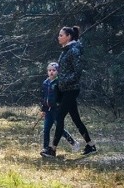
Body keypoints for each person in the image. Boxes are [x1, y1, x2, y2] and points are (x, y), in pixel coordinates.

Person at [41, 25, 96, 158]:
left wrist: (63, 81)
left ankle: (52, 149)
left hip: (71, 90)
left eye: (61, 35)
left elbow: (77, 72)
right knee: (76, 119)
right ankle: (91, 145)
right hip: (64, 90)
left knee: (59, 117)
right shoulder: (65, 51)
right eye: (59, 35)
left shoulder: (74, 50)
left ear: (68, 37)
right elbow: (63, 72)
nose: (58, 37)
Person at [40, 62, 79, 154]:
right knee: (46, 129)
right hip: (48, 110)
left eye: (54, 70)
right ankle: (46, 148)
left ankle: (73, 143)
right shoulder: (45, 83)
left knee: (59, 129)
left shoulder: (59, 82)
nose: (51, 72)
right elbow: (43, 97)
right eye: (49, 70)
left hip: (56, 110)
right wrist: (43, 109)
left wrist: (61, 105)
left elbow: (63, 96)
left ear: (58, 71)